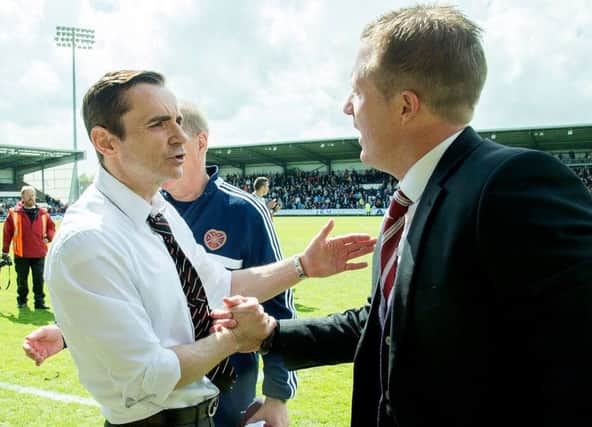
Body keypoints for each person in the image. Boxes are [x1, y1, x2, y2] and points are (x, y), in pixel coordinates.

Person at [217, 5, 592, 426]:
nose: (346, 107)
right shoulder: (413, 201)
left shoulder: (512, 185)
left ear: (405, 106)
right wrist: (270, 335)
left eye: (357, 92)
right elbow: (383, 324)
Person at [42, 69, 374, 427]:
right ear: (106, 142)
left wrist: (303, 265)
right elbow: (145, 379)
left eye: (179, 121)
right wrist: (234, 339)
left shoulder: (159, 211)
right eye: (158, 124)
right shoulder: (89, 239)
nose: (179, 136)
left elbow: (220, 286)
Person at [25, 101, 297, 427]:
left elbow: (275, 307)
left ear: (200, 142)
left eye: (179, 131)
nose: (174, 141)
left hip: (230, 390)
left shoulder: (243, 211)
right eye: (160, 130)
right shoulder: (143, 212)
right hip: (160, 404)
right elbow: (141, 304)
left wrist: (277, 394)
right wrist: (71, 331)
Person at [2, 185, 55, 309]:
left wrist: (49, 237)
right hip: (21, 253)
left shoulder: (43, 213)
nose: (32, 197)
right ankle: (22, 301)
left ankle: (39, 302)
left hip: (39, 253)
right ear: (22, 197)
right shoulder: (13, 213)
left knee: (39, 280)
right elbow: (7, 232)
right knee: (22, 280)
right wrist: (5, 251)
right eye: (29, 194)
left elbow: (51, 227)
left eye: (33, 195)